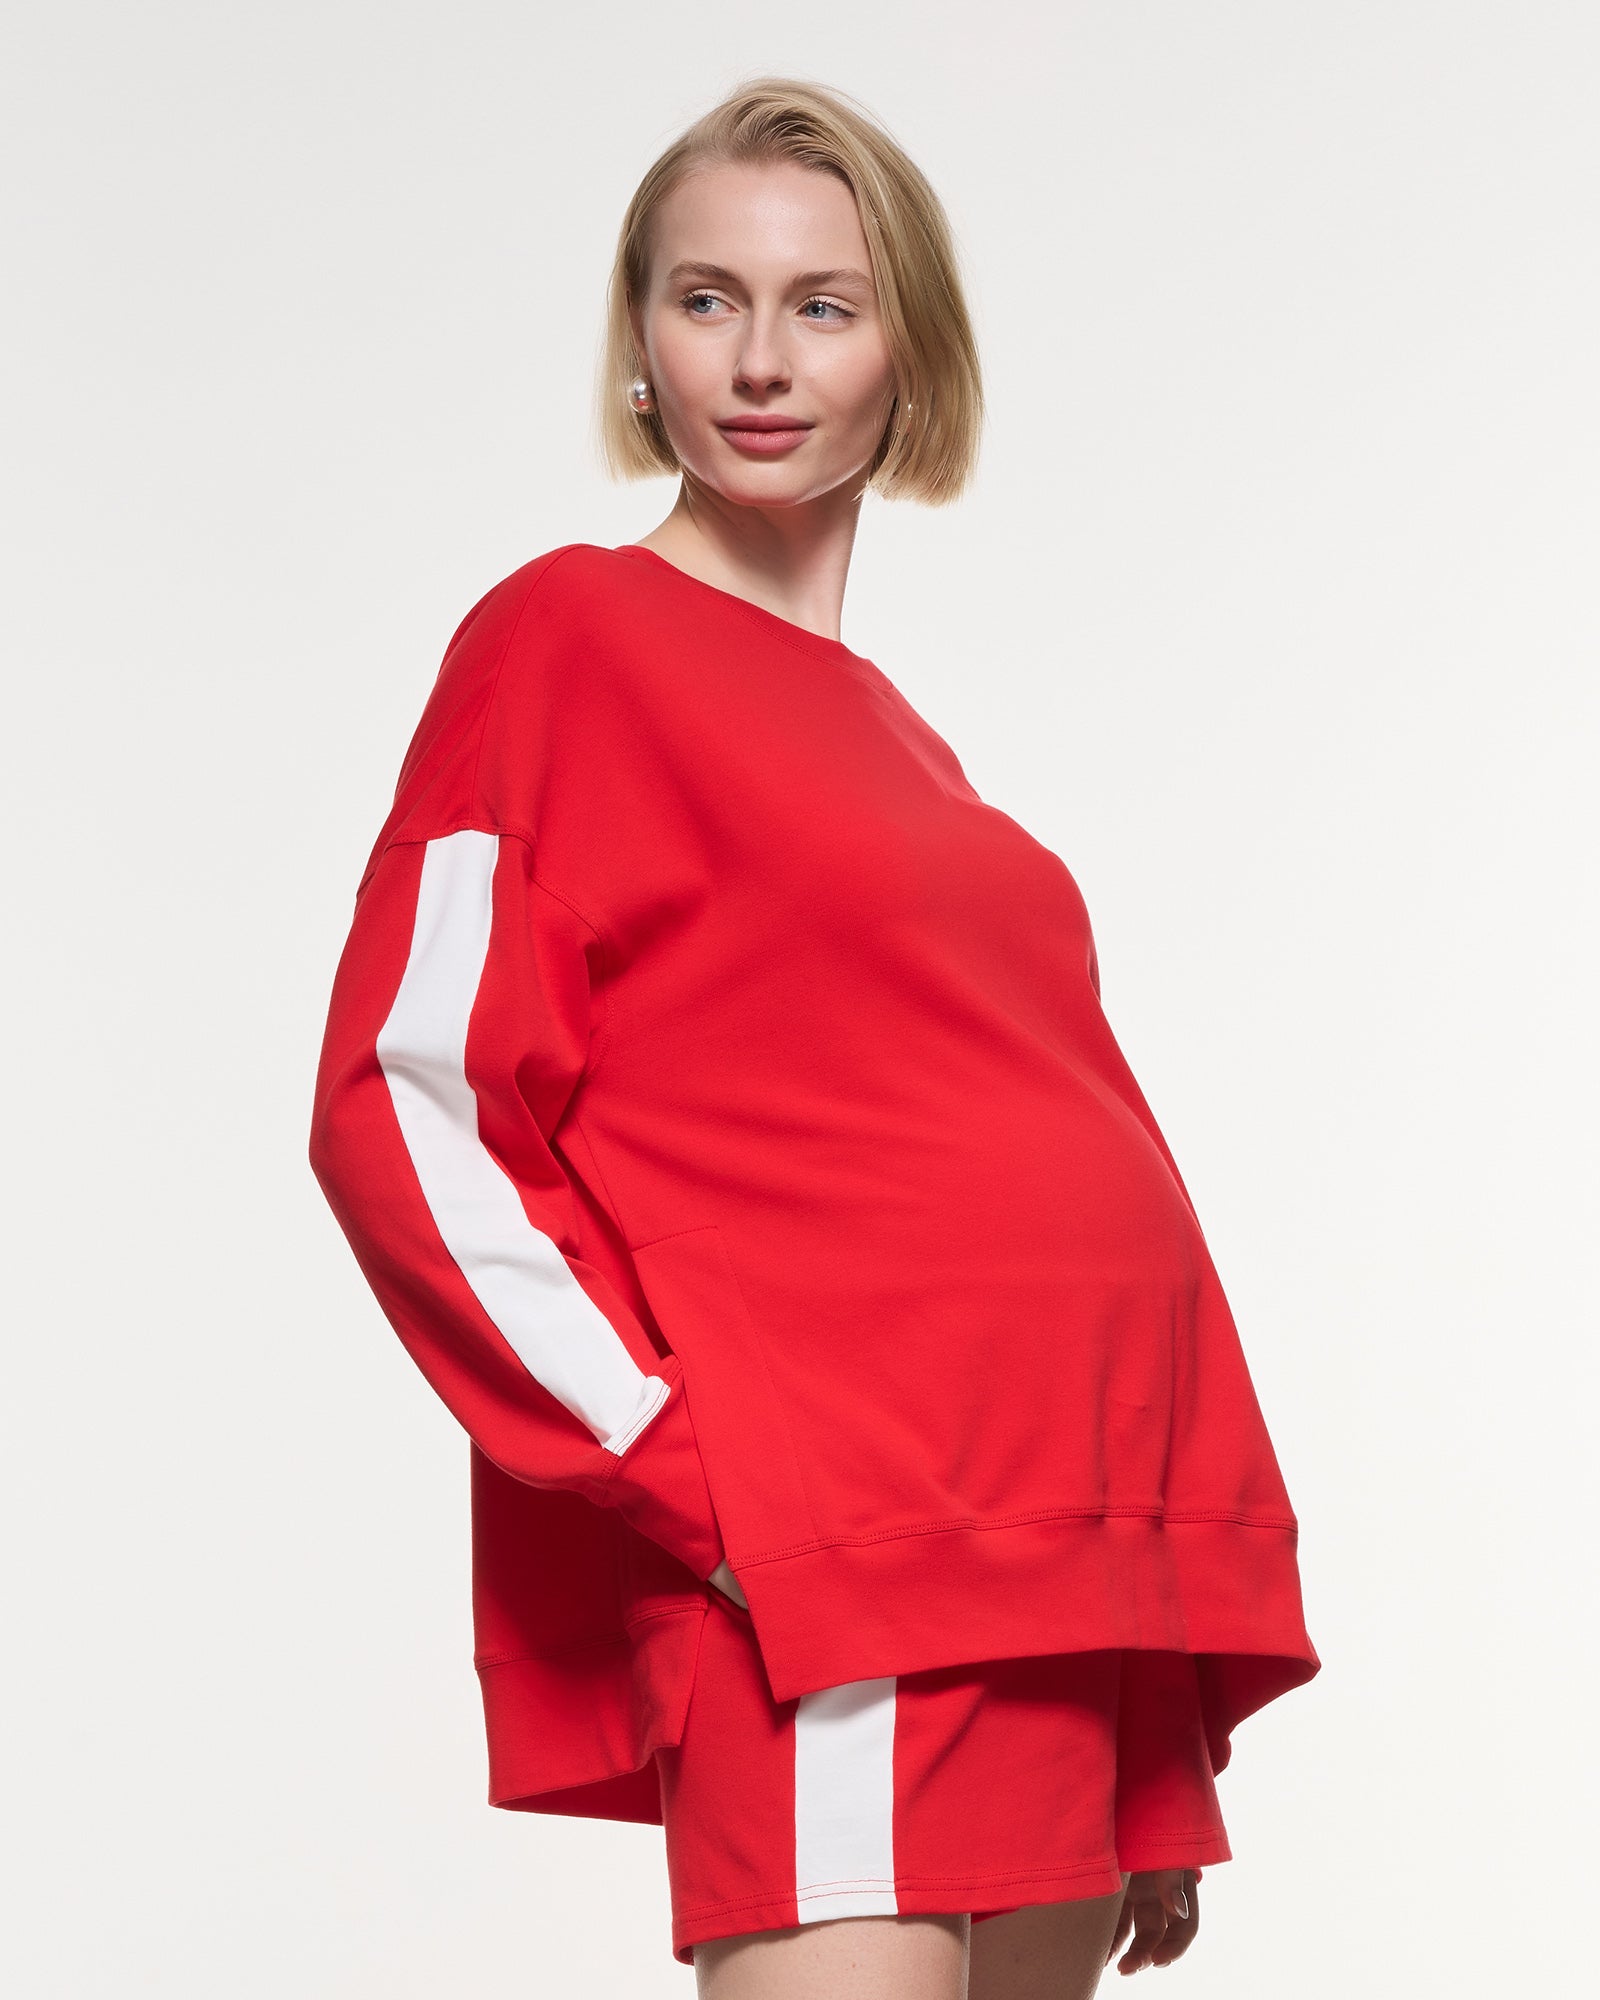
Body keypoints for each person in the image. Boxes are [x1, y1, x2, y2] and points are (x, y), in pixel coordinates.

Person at [307, 75, 1320, 1997]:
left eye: (823, 306)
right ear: (640, 345)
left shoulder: (902, 741)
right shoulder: (568, 640)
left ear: (907, 356)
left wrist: (1154, 1681)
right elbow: (405, 1103)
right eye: (707, 300)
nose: (761, 360)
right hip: (840, 1576)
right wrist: (683, 1471)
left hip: (1064, 1575)